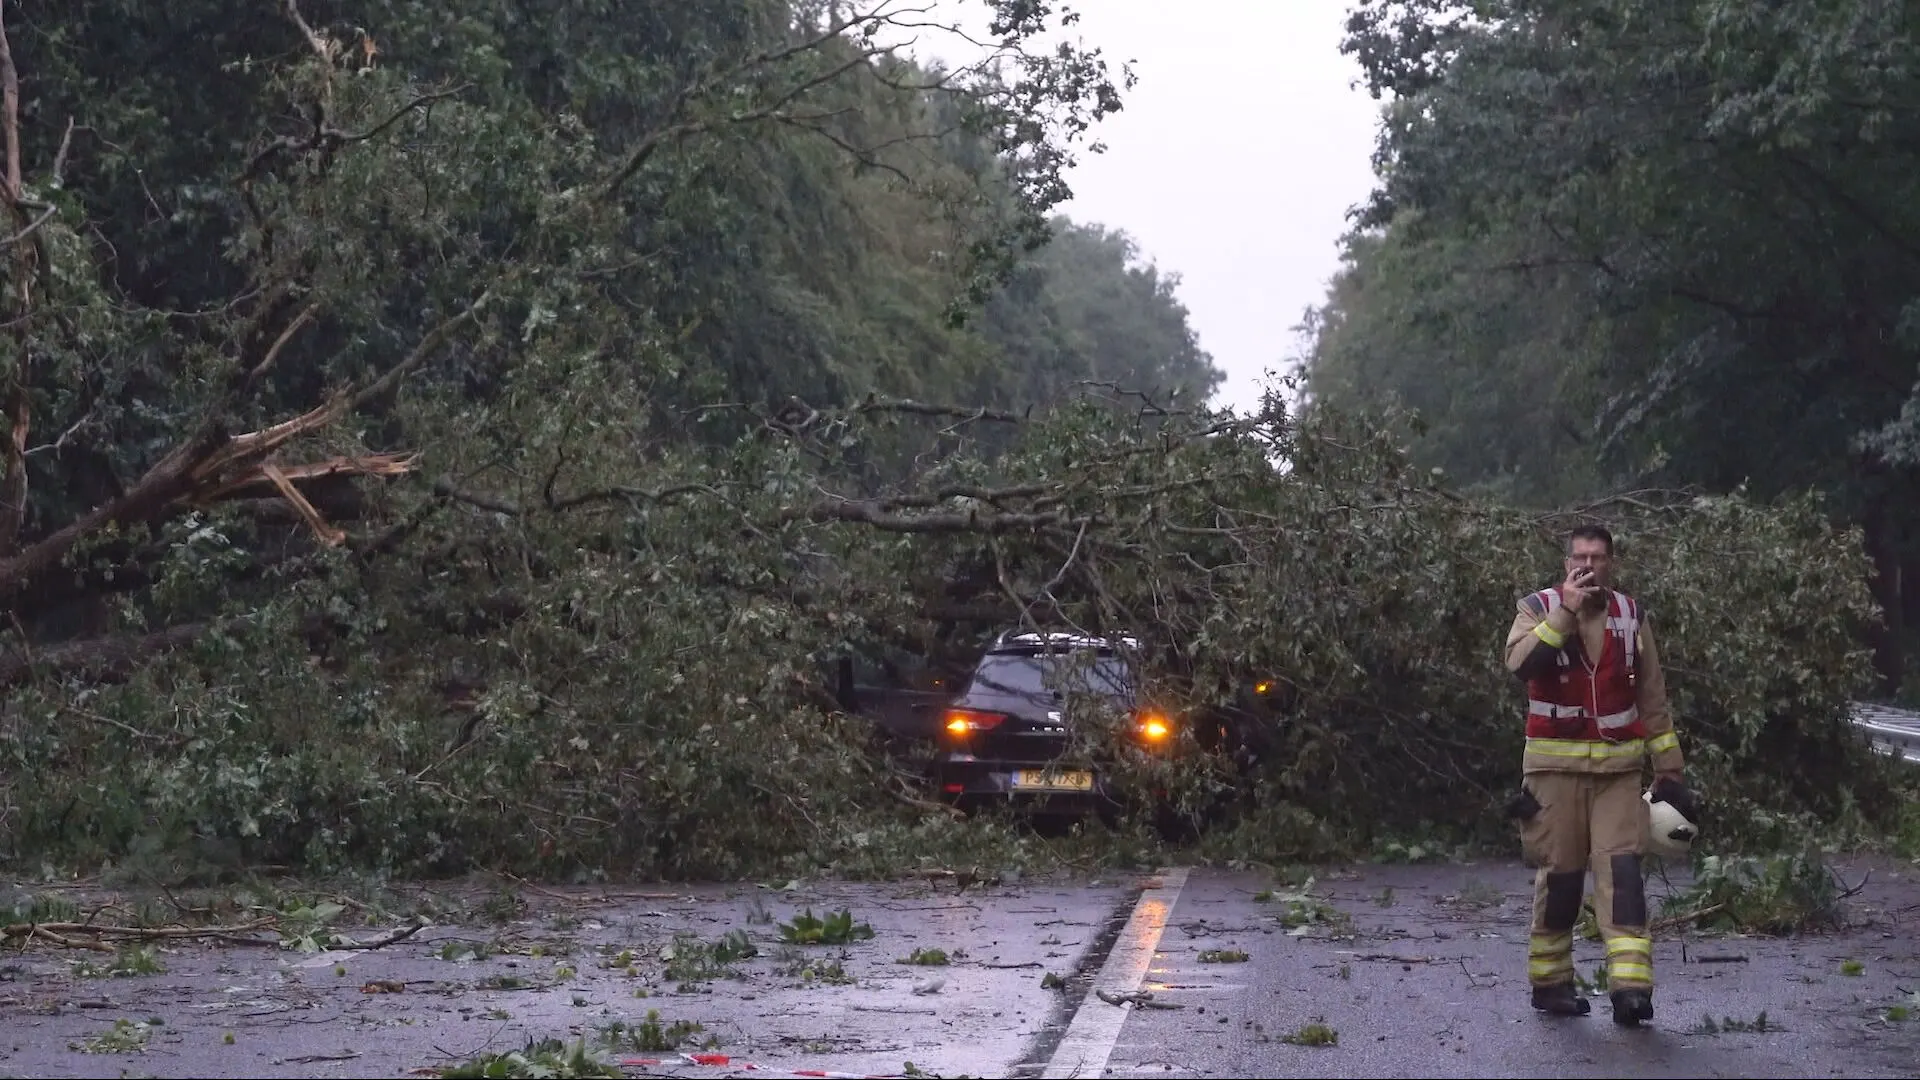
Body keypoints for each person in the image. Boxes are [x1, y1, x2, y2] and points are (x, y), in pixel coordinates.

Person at [1502, 523, 1692, 1028]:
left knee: (1623, 876)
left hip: (1618, 774)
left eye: (1598, 558)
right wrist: (1565, 609)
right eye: (1579, 558)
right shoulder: (1538, 609)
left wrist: (1669, 768)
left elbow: (1652, 696)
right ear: (1566, 563)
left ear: (1612, 563)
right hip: (1553, 773)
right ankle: (1551, 983)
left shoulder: (1631, 615)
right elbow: (1522, 664)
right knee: (1561, 878)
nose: (1587, 565)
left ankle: (1631, 990)